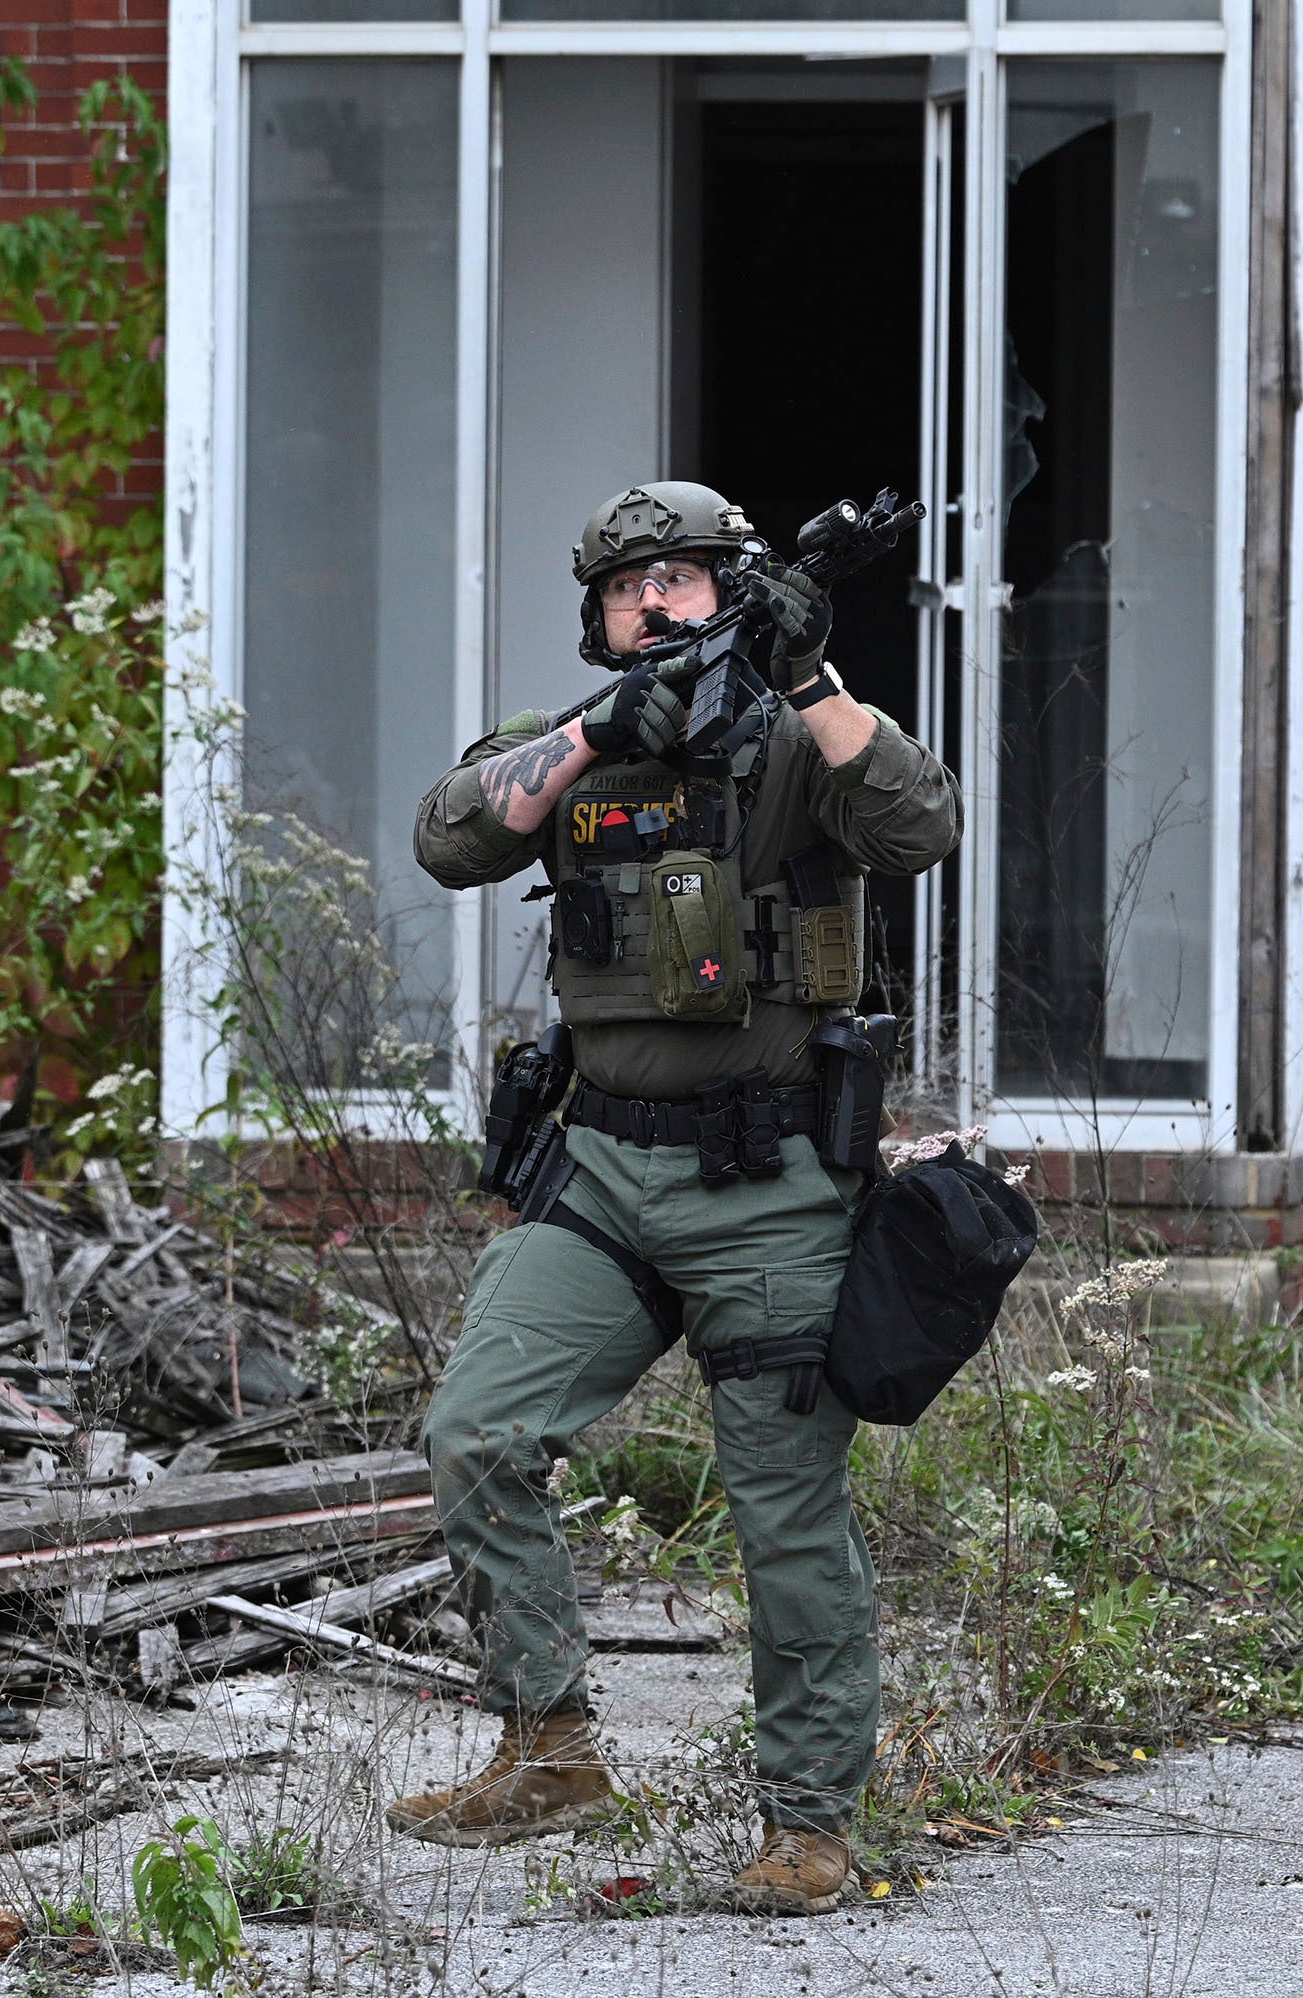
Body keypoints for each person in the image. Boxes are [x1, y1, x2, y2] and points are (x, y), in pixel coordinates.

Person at [386, 482, 961, 1913]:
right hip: (601, 1168)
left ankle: (810, 1821)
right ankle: (553, 1743)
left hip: (768, 1182)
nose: (655, 602)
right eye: (628, 585)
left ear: (733, 594)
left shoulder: (795, 742)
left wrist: (810, 677)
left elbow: (920, 822)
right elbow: (453, 832)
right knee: (475, 1430)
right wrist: (594, 737)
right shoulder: (570, 746)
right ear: (595, 616)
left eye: (687, 580)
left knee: (783, 1509)